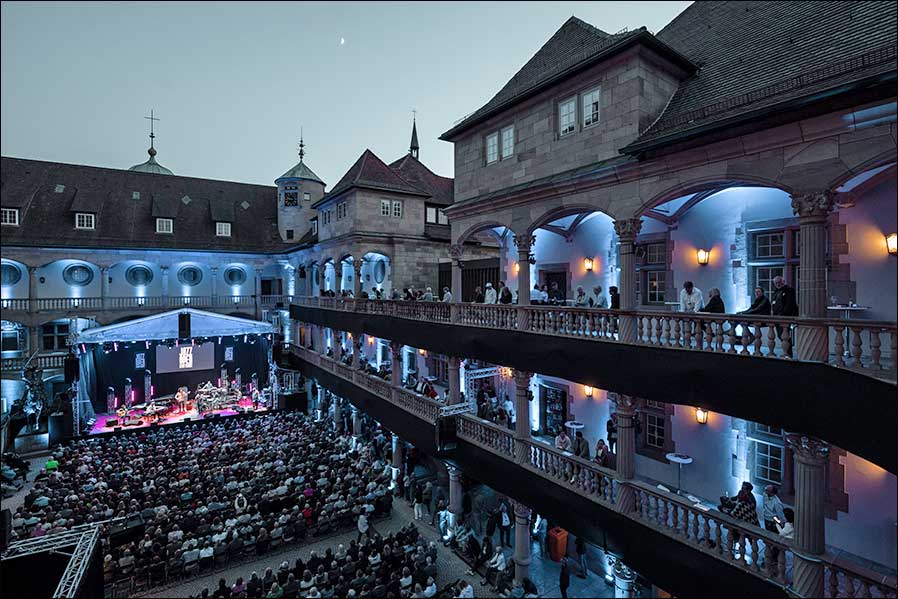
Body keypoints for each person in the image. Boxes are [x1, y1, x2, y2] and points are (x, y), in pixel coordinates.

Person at [770, 275, 798, 356]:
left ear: (783, 282)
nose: (778, 284)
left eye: (779, 282)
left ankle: (788, 354)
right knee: (780, 335)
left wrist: (782, 314)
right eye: (776, 283)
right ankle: (786, 352)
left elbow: (790, 304)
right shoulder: (775, 292)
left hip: (785, 317)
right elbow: (773, 303)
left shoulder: (789, 290)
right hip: (777, 318)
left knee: (785, 335)